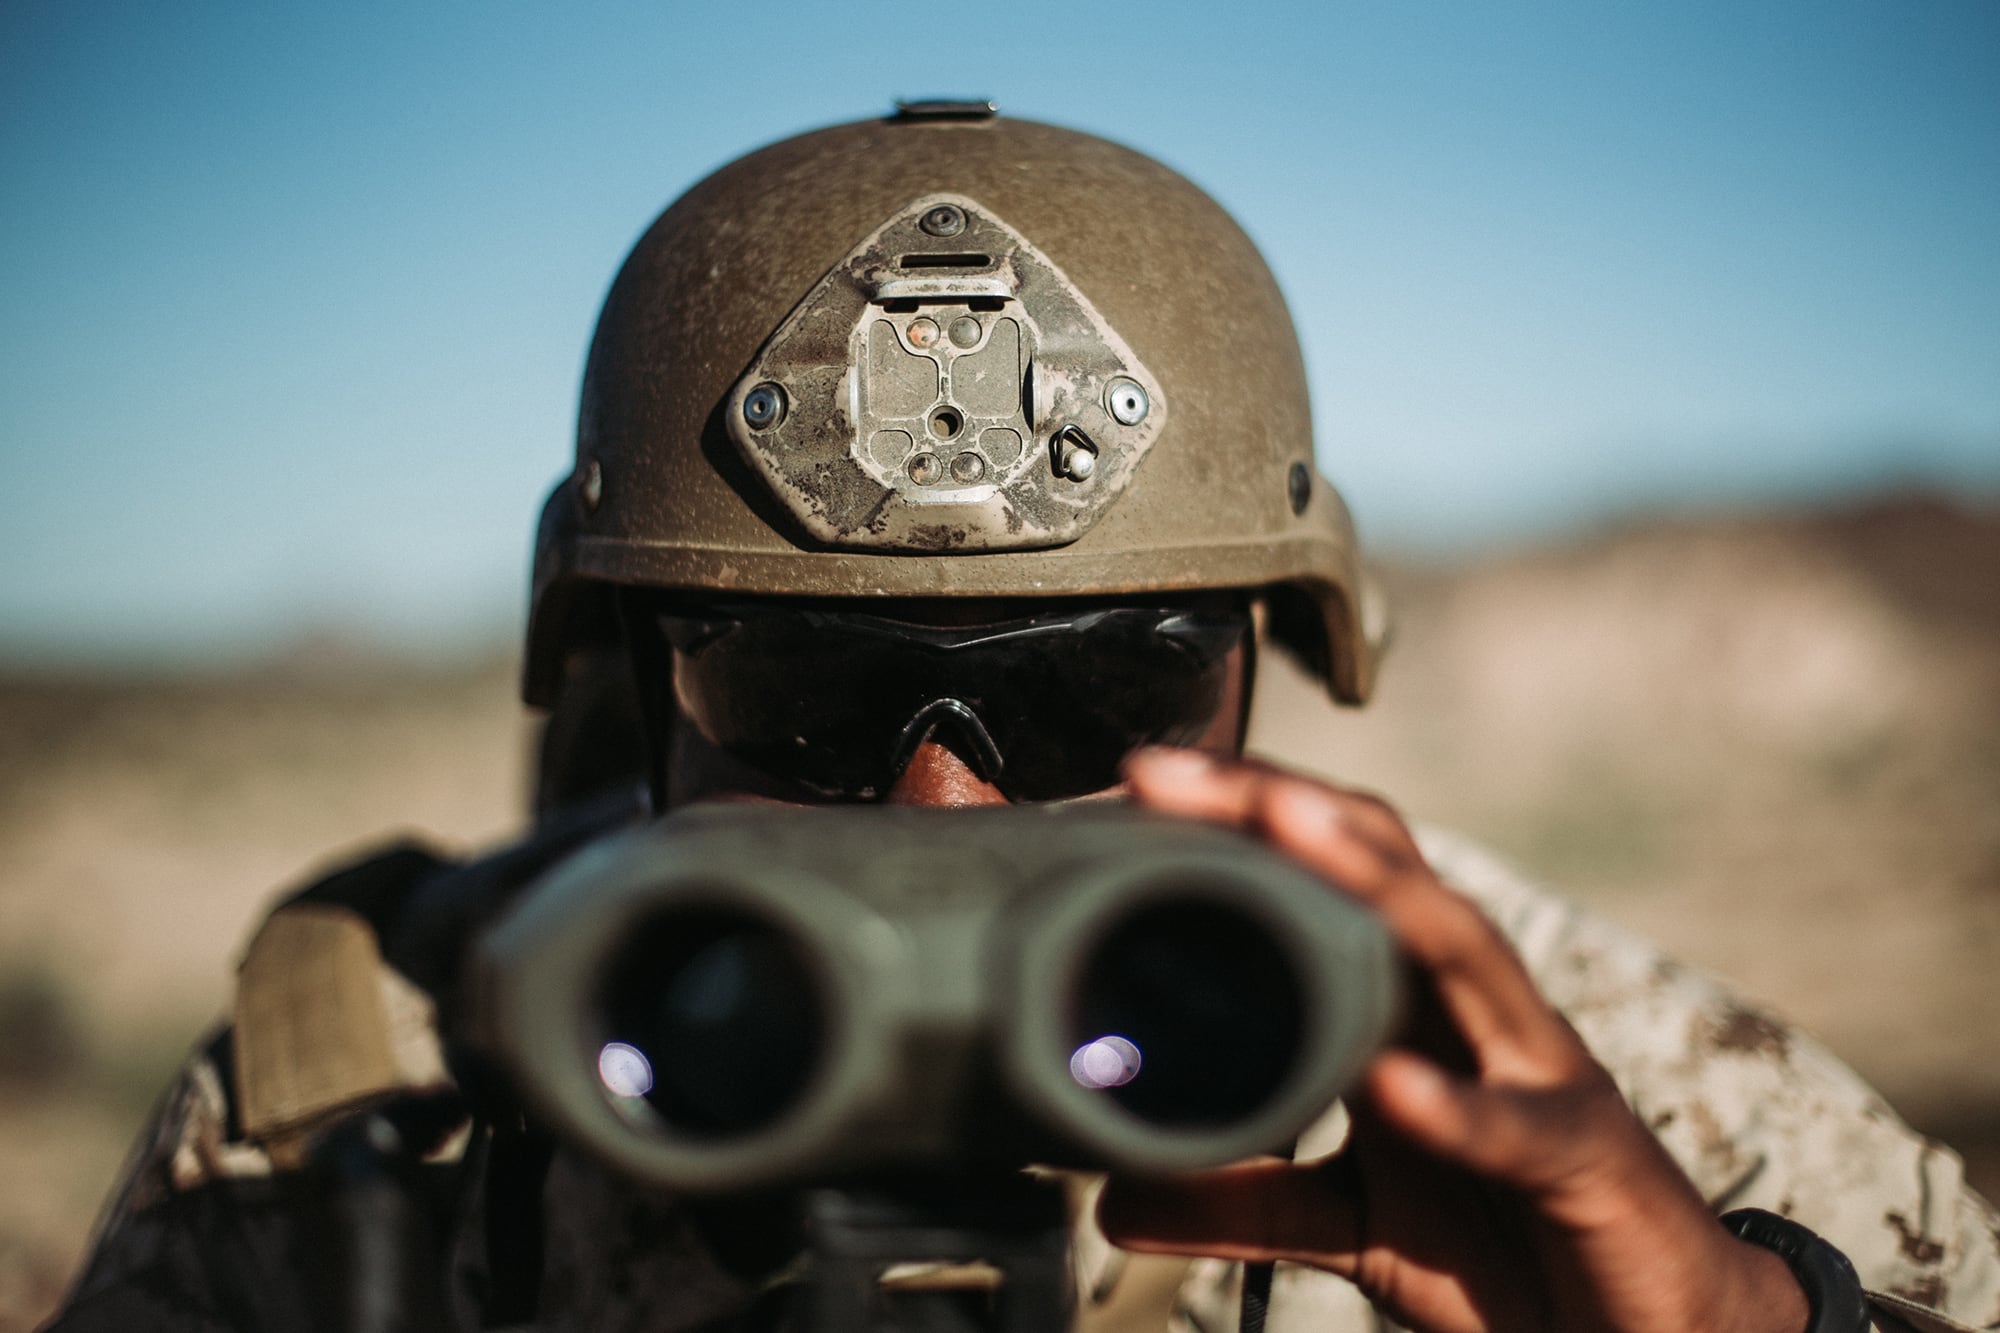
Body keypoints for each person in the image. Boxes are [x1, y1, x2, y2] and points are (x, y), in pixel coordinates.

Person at [43, 105, 2000, 1333]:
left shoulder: (1520, 1069)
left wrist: (1741, 1317)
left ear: (1256, 665)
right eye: (795, 685)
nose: (945, 788)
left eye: (1100, 678)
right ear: (639, 677)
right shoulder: (381, 1085)